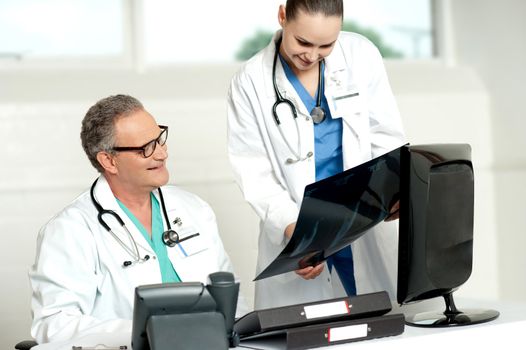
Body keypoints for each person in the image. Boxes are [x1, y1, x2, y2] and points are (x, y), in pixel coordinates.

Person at [227, 0, 405, 310]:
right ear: (283, 16)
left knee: (383, 326)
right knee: (308, 333)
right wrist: (295, 233)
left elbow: (386, 136)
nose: (311, 55)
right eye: (303, 42)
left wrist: (395, 190)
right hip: (300, 224)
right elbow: (254, 171)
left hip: (364, 219)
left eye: (326, 45)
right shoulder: (250, 80)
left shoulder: (360, 55)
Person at [30, 94, 244, 343]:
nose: (162, 154)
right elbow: (54, 324)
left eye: (160, 139)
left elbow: (233, 302)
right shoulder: (71, 230)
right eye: (146, 148)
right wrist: (149, 331)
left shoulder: (194, 208)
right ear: (109, 160)